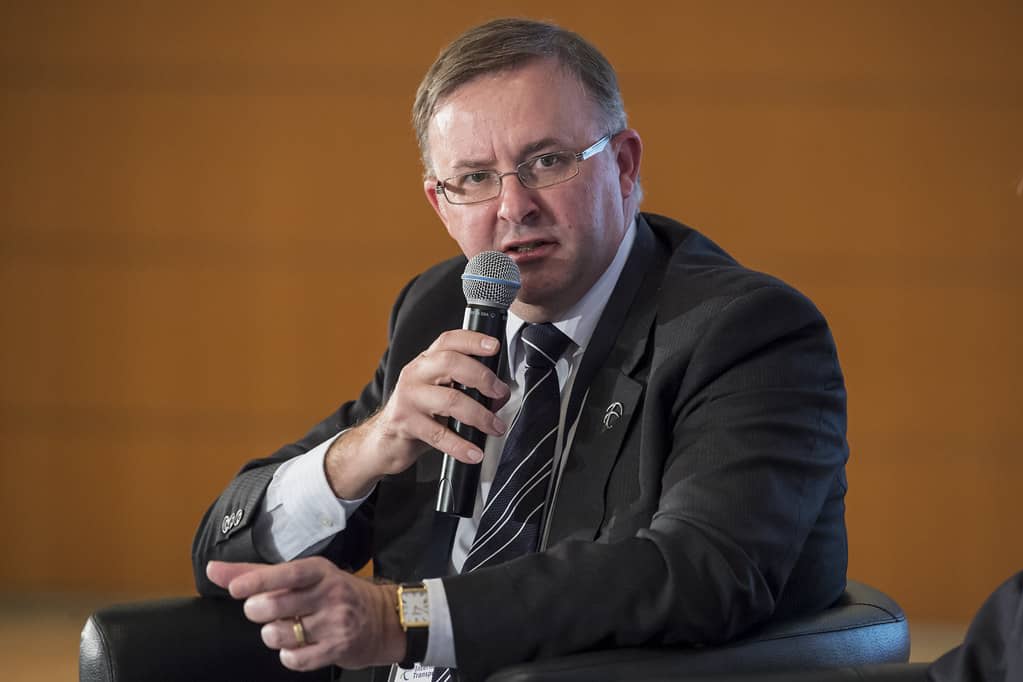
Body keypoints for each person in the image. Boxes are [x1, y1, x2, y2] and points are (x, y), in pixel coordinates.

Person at [192, 17, 850, 682]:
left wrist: (404, 619)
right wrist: (367, 448)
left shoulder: (744, 331)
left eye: (547, 162)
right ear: (441, 204)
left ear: (623, 165)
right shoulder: (439, 307)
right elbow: (221, 554)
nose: (513, 206)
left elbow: (702, 571)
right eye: (475, 177)